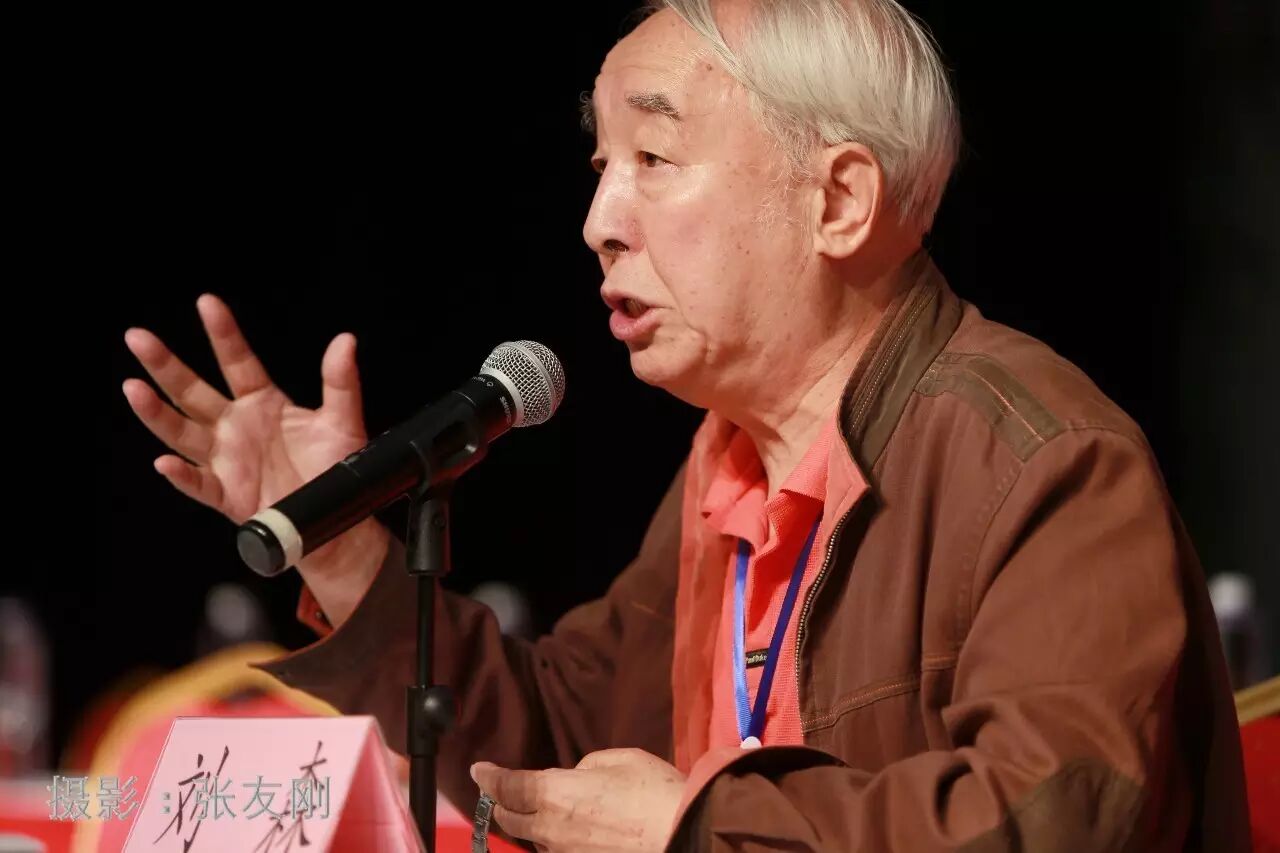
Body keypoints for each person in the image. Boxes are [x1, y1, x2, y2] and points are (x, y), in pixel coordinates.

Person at [121, 0, 1250, 849]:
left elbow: (1051, 819)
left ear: (838, 200)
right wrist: (343, 550)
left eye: (654, 160)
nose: (597, 221)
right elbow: (560, 747)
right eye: (602, 165)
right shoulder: (733, 458)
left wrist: (700, 828)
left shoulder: (1044, 459)